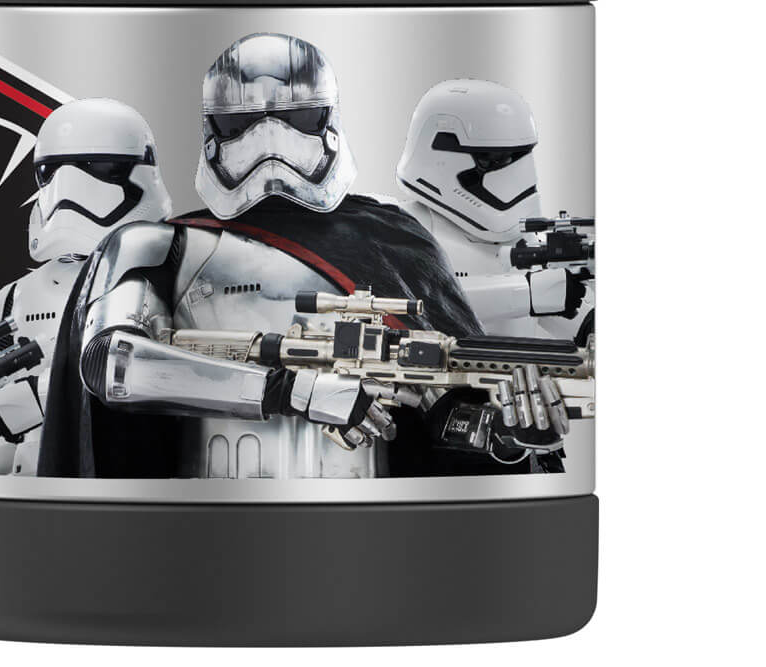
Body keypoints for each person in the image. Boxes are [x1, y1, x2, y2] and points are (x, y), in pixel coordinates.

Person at [39, 36, 572, 479]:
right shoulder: (156, 244)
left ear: (327, 120)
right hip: (199, 529)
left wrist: (507, 436)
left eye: (297, 116)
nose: (270, 139)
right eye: (241, 123)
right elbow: (110, 361)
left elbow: (448, 417)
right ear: (212, 131)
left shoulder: (393, 240)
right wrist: (289, 390)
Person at [0, 98, 172, 475]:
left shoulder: (172, 272)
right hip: (34, 485)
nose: (68, 190)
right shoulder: (15, 299)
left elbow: (173, 376)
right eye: (51, 171)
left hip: (137, 475)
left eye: (95, 167)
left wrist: (34, 397)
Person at [396, 79, 594, 343]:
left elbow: (580, 321)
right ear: (441, 152)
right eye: (498, 159)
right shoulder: (404, 225)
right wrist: (527, 293)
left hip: (519, 370)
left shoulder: (524, 241)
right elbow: (407, 302)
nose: (517, 176)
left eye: (521, 156)